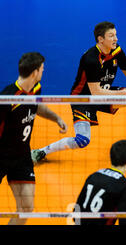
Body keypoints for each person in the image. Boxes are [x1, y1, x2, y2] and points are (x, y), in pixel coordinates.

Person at [31, 21, 126, 164]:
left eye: (116, 35)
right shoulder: (91, 59)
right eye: (111, 36)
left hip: (104, 94)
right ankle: (41, 151)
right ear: (101, 39)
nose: (116, 39)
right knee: (82, 140)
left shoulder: (116, 50)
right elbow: (96, 93)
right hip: (83, 100)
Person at [0, 52, 68, 225]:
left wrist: (57, 118)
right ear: (34, 72)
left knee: (26, 207)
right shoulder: (8, 99)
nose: (43, 72)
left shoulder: (35, 89)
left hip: (22, 157)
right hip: (1, 157)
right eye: (42, 69)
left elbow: (37, 106)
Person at [74, 139, 126, 225]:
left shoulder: (93, 175)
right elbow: (124, 222)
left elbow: (76, 212)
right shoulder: (125, 186)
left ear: (110, 157)